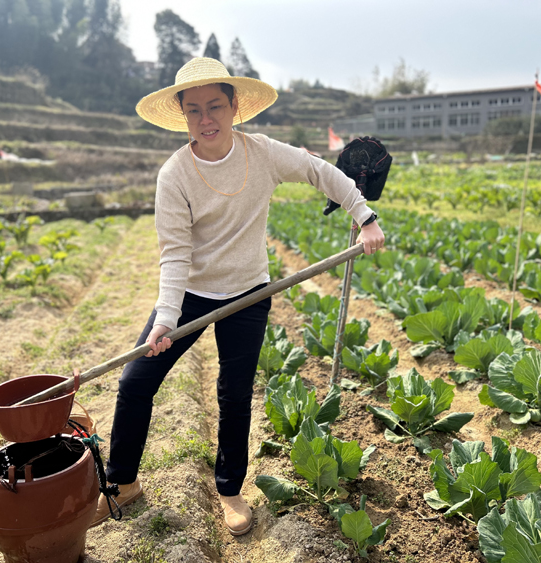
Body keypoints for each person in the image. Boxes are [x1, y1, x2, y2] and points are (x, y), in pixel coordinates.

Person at [92, 57, 385, 535]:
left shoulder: (262, 153)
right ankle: (122, 483)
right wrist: (166, 317)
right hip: (191, 293)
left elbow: (319, 172)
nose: (205, 119)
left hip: (249, 294)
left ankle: (230, 490)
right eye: (193, 111)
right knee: (134, 382)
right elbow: (174, 252)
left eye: (214, 107)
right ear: (183, 116)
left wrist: (364, 215)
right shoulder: (175, 175)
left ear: (233, 108)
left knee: (233, 394)